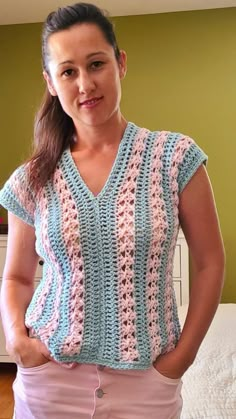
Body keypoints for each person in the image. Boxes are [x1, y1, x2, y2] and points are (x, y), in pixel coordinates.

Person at [0, 3, 225, 419]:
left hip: (148, 381)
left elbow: (210, 262)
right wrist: (18, 340)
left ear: (120, 64)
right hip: (50, 376)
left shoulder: (175, 158)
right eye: (68, 71)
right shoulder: (31, 178)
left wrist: (182, 357)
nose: (85, 83)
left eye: (96, 63)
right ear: (51, 82)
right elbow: (15, 275)